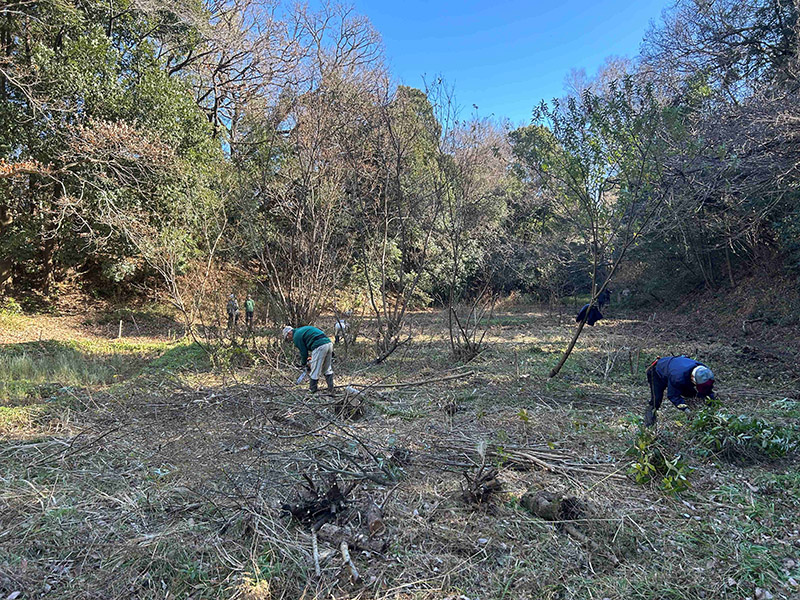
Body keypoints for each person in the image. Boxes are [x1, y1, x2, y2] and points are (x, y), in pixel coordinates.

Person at [644, 356, 715, 426]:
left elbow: (707, 389)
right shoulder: (677, 378)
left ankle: (694, 416)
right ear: (693, 379)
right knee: (656, 400)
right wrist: (685, 409)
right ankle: (649, 423)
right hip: (657, 372)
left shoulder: (704, 371)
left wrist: (712, 403)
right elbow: (673, 396)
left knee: (692, 394)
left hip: (677, 369)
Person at [282, 325, 335, 394]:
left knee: (315, 369)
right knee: (327, 368)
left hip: (319, 346)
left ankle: (312, 390)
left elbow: (304, 352)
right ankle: (331, 389)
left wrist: (303, 363)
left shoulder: (296, 336)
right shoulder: (301, 330)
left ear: (289, 333)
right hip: (329, 343)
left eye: (288, 337)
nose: (289, 339)